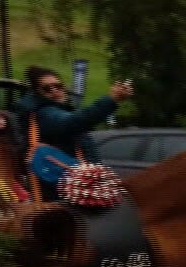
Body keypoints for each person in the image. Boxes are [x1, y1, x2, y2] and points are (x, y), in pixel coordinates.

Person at [15, 67, 132, 200]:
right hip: (59, 193)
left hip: (65, 188)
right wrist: (111, 100)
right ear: (37, 92)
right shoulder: (45, 113)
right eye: (47, 88)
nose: (55, 90)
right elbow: (74, 122)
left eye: (58, 86)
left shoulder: (49, 111)